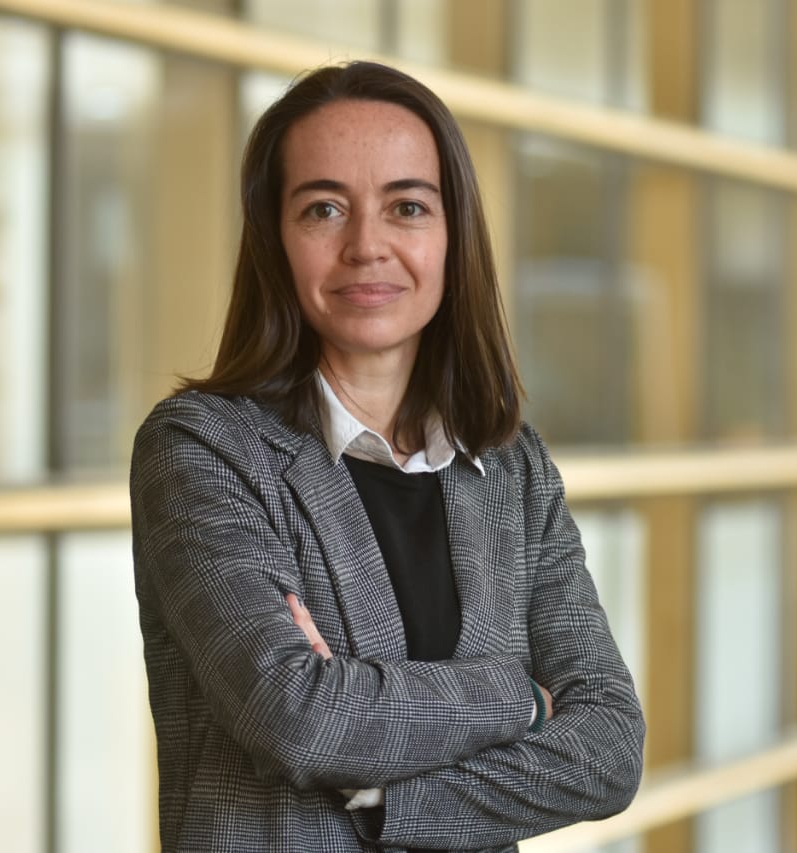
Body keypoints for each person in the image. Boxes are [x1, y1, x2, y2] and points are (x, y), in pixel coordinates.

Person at [130, 60, 644, 853]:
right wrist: (524, 698)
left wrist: (383, 799)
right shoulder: (203, 450)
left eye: (406, 206)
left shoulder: (513, 471)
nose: (366, 246)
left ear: (451, 235)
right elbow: (299, 715)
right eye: (323, 208)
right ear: (275, 238)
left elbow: (610, 747)